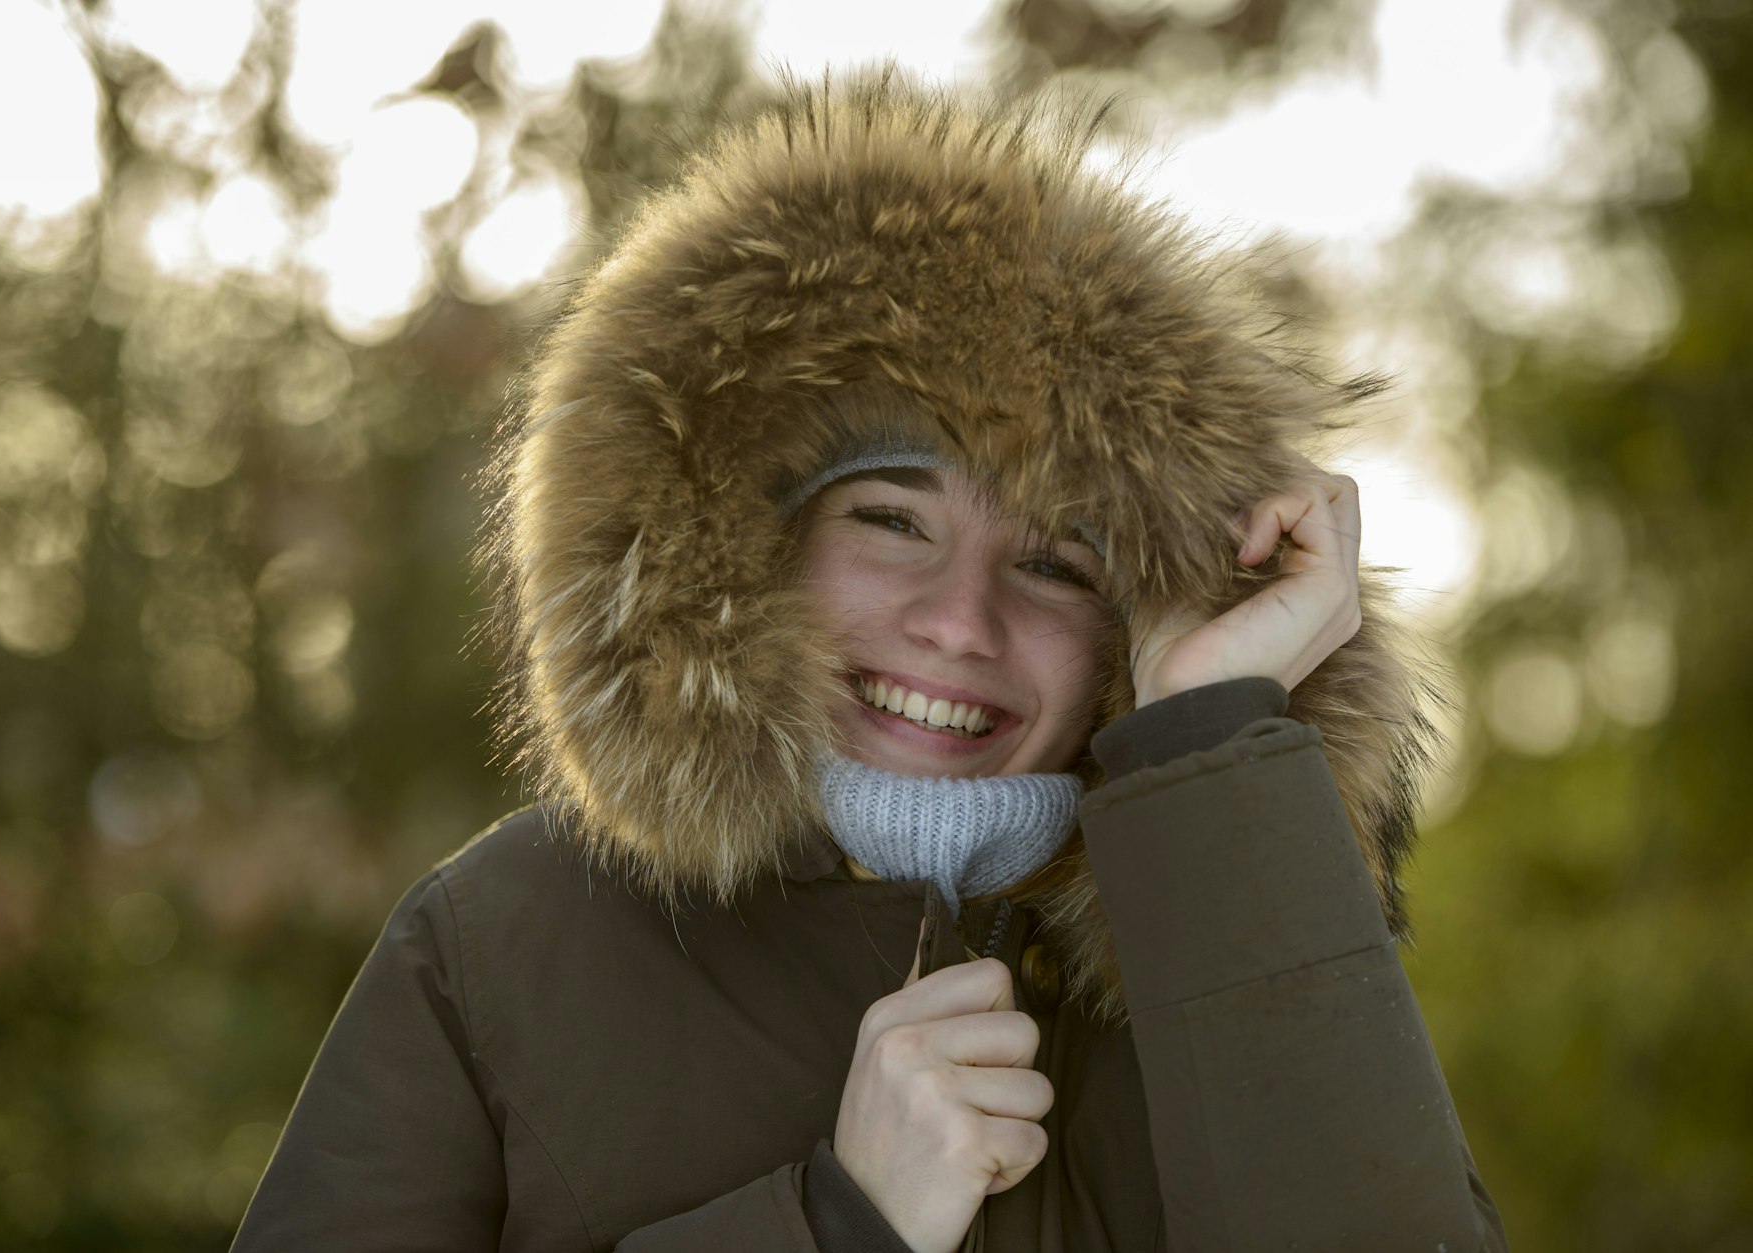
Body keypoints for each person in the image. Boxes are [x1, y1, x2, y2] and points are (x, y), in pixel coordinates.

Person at [231, 71, 1507, 1251]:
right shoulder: (503, 938)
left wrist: (1210, 731)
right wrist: (841, 1223)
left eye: (1055, 564)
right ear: (740, 549)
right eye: (892, 521)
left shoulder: (1233, 935)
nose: (958, 621)